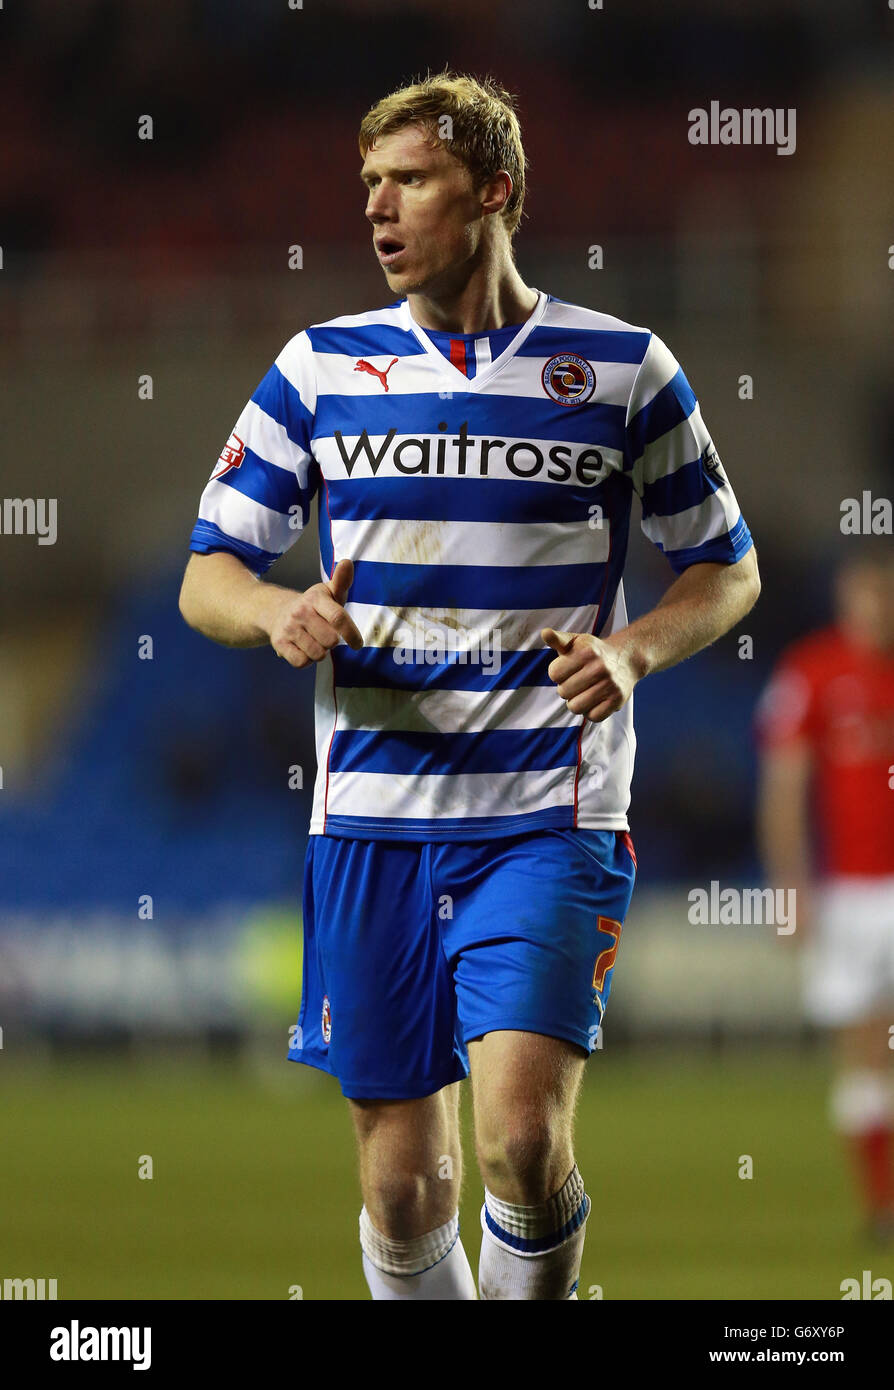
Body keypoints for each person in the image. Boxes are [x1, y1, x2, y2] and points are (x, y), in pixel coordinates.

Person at [179, 71, 760, 1299]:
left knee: (523, 1139)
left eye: (411, 181)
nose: (378, 211)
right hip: (372, 825)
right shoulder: (320, 368)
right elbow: (207, 575)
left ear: (494, 191)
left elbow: (727, 568)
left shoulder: (621, 369)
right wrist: (279, 607)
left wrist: (633, 649)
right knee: (402, 1185)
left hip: (544, 817)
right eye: (369, 186)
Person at [756, 547, 894, 1241]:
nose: (876, 607)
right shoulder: (813, 670)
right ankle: (879, 1202)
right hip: (850, 896)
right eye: (864, 593)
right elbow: (785, 788)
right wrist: (791, 889)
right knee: (865, 1047)